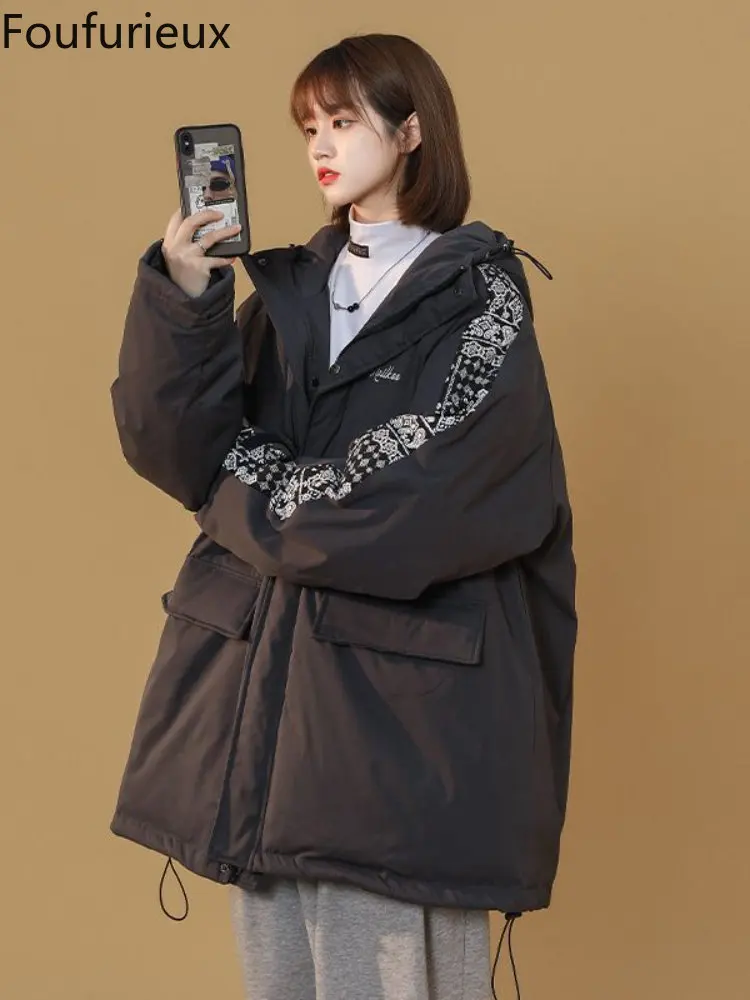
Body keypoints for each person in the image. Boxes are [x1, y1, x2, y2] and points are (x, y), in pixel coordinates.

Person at [109, 32, 577, 1000]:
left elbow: (407, 505)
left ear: (411, 131)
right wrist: (188, 299)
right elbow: (175, 449)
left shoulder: (482, 302)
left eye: (343, 121)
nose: (320, 144)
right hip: (261, 733)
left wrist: (234, 488)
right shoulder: (289, 295)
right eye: (307, 127)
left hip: (398, 743)